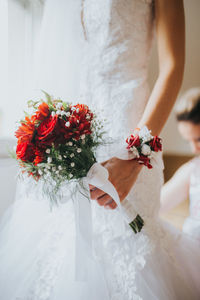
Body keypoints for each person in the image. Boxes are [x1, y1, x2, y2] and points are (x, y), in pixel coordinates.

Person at [0, 0, 200, 299]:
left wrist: (135, 154)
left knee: (129, 245)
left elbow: (172, 68)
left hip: (130, 129)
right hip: (75, 133)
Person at [160, 87, 200, 242]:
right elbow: (154, 206)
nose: (193, 149)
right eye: (187, 141)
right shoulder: (193, 170)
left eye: (198, 139)